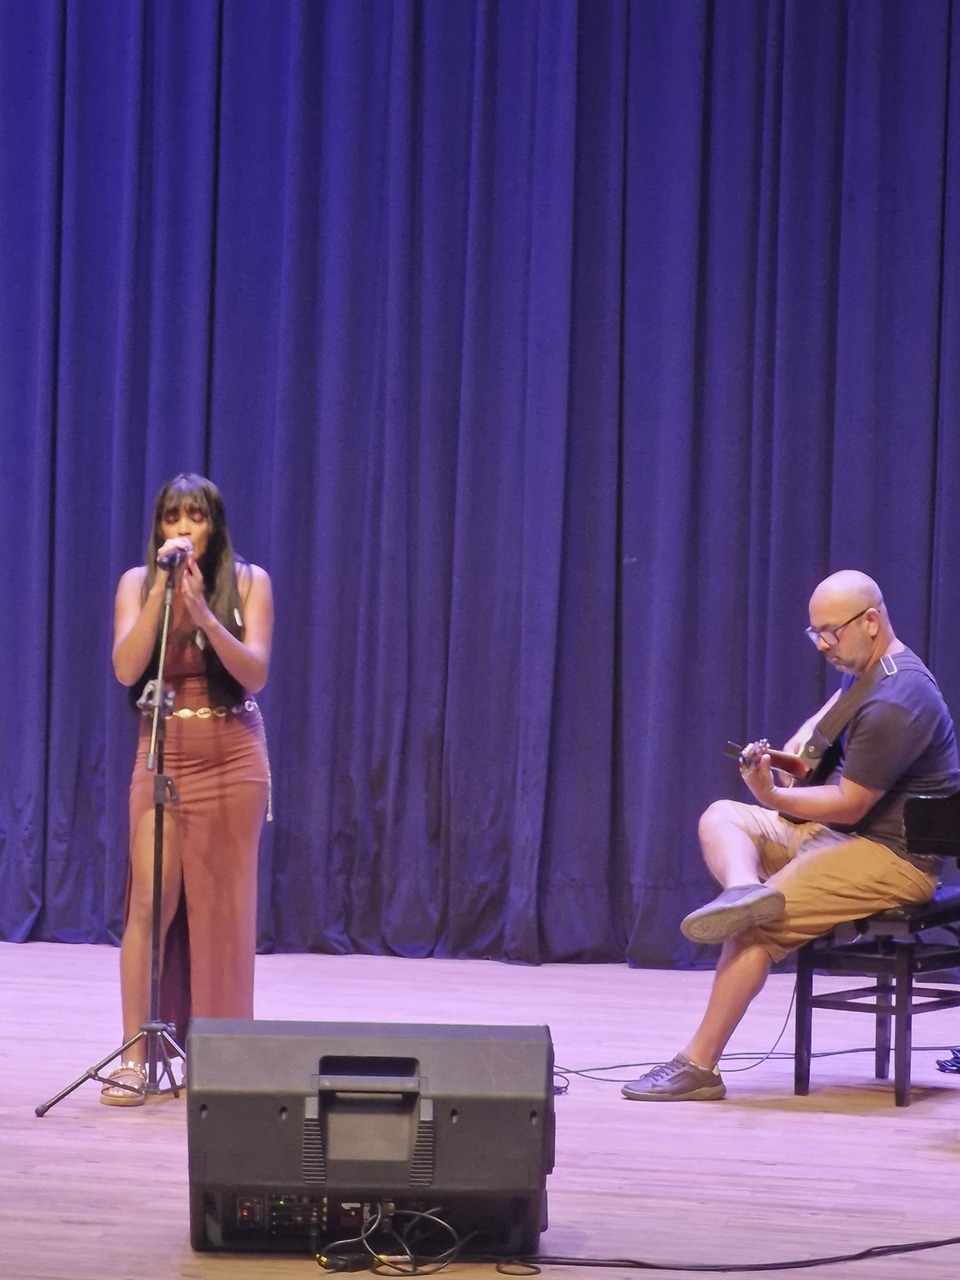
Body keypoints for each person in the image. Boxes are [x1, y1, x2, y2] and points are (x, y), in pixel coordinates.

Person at [622, 570, 959, 1102]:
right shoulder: (863, 672)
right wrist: (777, 764)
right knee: (722, 816)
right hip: (840, 835)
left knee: (758, 925)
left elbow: (850, 801)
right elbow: (812, 752)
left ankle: (699, 1067)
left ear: (871, 621)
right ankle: (742, 890)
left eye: (830, 632)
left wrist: (774, 797)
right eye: (814, 633)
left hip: (894, 857)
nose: (822, 644)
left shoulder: (900, 698)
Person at [103, 473, 273, 1106]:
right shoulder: (136, 583)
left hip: (233, 759)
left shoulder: (250, 582)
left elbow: (255, 672)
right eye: (171, 518)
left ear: (213, 526)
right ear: (159, 527)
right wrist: (163, 595)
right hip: (162, 753)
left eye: (194, 518)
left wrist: (202, 612)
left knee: (224, 914)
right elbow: (127, 666)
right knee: (149, 905)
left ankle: (224, 1063)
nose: (182, 528)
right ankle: (133, 1059)